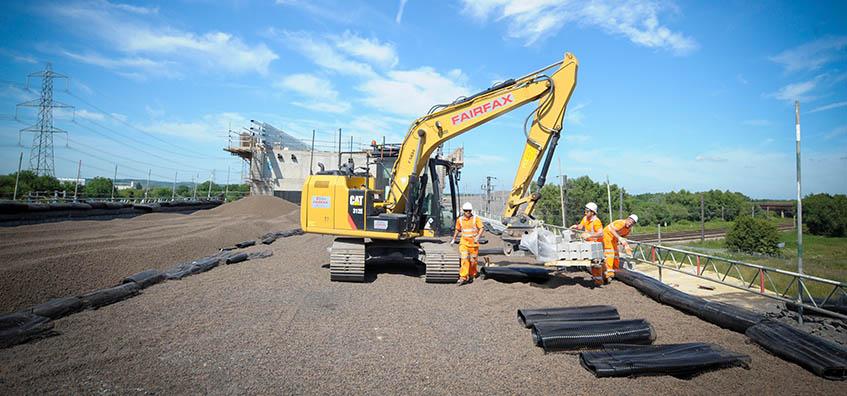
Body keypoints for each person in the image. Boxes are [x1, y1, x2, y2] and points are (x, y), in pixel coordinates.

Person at [570, 202, 604, 285]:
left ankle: (599, 281)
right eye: (585, 211)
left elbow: (601, 233)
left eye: (587, 211)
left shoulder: (596, 221)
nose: (585, 213)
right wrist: (575, 227)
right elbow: (580, 227)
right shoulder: (585, 218)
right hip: (588, 244)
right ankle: (598, 278)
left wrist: (589, 235)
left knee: (596, 263)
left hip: (596, 245)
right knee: (591, 264)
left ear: (593, 212)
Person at [451, 202, 484, 285]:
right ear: (463, 211)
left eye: (469, 210)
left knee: (473, 261)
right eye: (466, 211)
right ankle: (463, 276)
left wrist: (478, 237)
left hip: (474, 244)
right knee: (464, 259)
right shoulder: (460, 220)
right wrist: (454, 239)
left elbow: (481, 228)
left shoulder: (476, 219)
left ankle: (472, 274)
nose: (468, 212)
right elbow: (457, 229)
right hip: (464, 243)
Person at [600, 214, 638, 285]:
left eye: (632, 224)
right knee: (610, 254)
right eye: (630, 222)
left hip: (614, 239)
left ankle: (616, 270)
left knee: (616, 255)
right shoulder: (621, 223)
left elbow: (623, 237)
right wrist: (619, 238)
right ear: (627, 219)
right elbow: (612, 230)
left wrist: (626, 245)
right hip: (607, 235)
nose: (630, 224)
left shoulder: (628, 230)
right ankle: (608, 274)